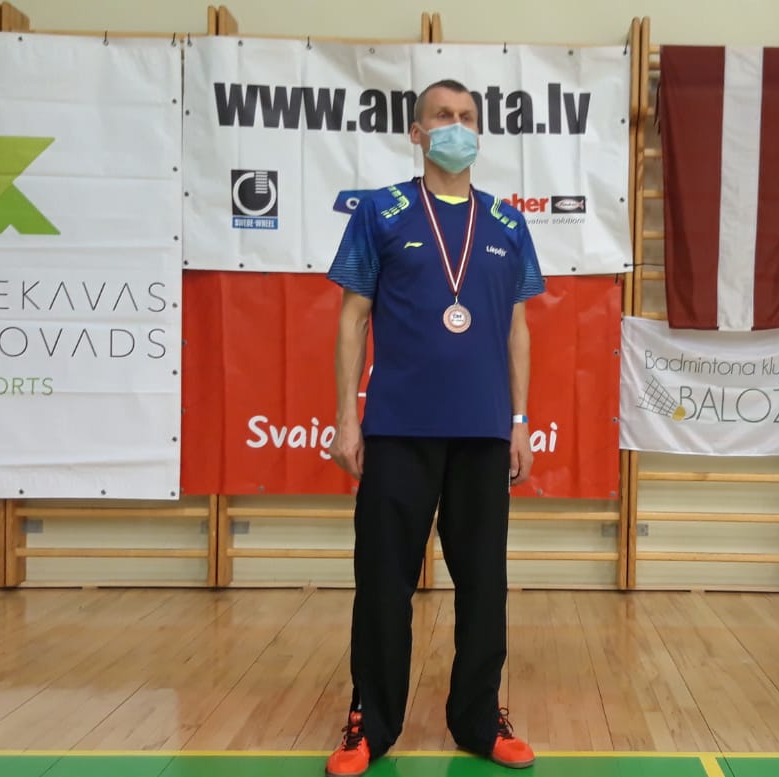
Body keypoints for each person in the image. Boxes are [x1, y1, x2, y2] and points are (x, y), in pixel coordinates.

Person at [321, 78, 546, 777]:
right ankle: (370, 722)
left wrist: (519, 421)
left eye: (467, 117)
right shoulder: (380, 212)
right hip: (398, 428)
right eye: (443, 116)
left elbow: (516, 327)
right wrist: (346, 417)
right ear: (417, 133)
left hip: (483, 431)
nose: (457, 126)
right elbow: (353, 318)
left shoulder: (507, 223)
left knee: (484, 584)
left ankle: (480, 718)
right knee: (383, 581)